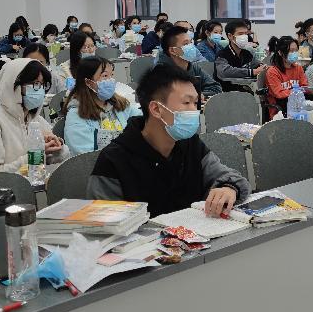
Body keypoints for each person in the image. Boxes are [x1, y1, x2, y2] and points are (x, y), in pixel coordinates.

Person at [87, 65, 250, 217]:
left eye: (195, 103)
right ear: (156, 109)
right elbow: (105, 225)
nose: (194, 111)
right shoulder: (113, 161)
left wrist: (229, 189)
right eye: (186, 102)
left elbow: (231, 177)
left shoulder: (190, 144)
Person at [0, 57, 64, 173]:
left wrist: (57, 147)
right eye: (35, 84)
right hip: (4, 184)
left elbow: (58, 159)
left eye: (42, 85)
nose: (40, 90)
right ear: (14, 86)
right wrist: (36, 155)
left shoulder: (36, 120)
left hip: (36, 181)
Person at [63, 56, 142, 154]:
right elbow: (86, 155)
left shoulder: (119, 104)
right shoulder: (76, 115)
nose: (110, 80)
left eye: (111, 75)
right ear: (88, 82)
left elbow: (143, 123)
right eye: (105, 76)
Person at [156, 25, 222, 99]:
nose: (191, 46)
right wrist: (193, 96)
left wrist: (199, 95)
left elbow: (216, 88)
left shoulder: (193, 67)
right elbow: (168, 96)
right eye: (186, 44)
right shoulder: (161, 72)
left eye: (191, 42)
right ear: (172, 50)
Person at [264, 36, 313, 119]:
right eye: (291, 51)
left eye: (296, 50)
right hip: (280, 108)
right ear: (280, 52)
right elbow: (279, 94)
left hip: (298, 104)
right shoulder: (272, 71)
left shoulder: (298, 68)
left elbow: (305, 87)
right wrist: (296, 92)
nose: (294, 53)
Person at [214, 20, 265, 91]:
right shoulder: (222, 54)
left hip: (245, 90)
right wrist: (252, 72)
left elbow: (257, 64)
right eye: (240, 34)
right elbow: (224, 72)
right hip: (226, 92)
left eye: (246, 34)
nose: (244, 37)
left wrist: (262, 66)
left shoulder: (247, 53)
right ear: (230, 36)